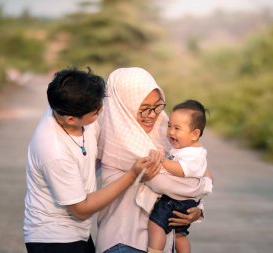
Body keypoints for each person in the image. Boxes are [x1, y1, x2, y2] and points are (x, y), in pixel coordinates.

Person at [23, 67, 162, 253]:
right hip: (54, 239)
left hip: (78, 234)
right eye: (96, 112)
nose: (102, 111)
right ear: (72, 119)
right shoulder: (53, 150)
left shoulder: (70, 105)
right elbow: (81, 210)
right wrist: (132, 175)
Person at [96, 67, 213, 253]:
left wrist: (197, 211)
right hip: (125, 241)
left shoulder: (163, 131)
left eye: (158, 106)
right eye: (143, 109)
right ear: (125, 106)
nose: (152, 115)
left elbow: (194, 169)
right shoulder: (120, 141)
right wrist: (204, 187)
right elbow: (168, 183)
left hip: (160, 242)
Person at [148, 100, 210, 253]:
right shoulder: (187, 149)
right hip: (186, 202)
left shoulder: (194, 154)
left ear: (195, 134)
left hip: (176, 202)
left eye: (177, 128)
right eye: (169, 126)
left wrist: (161, 160)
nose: (171, 132)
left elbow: (181, 170)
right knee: (180, 235)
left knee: (156, 226)